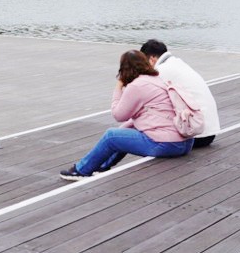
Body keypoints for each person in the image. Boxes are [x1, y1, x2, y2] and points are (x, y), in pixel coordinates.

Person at [59, 50, 193, 180]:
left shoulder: (137, 86)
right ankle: (103, 166)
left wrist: (118, 87)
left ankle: (81, 171)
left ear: (124, 69)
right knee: (119, 134)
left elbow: (118, 115)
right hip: (184, 143)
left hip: (166, 145)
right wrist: (122, 131)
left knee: (111, 136)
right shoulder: (157, 79)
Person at [141, 38, 218, 147]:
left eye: (144, 62)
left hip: (195, 135)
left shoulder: (161, 70)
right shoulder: (177, 63)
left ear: (152, 58)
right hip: (208, 132)